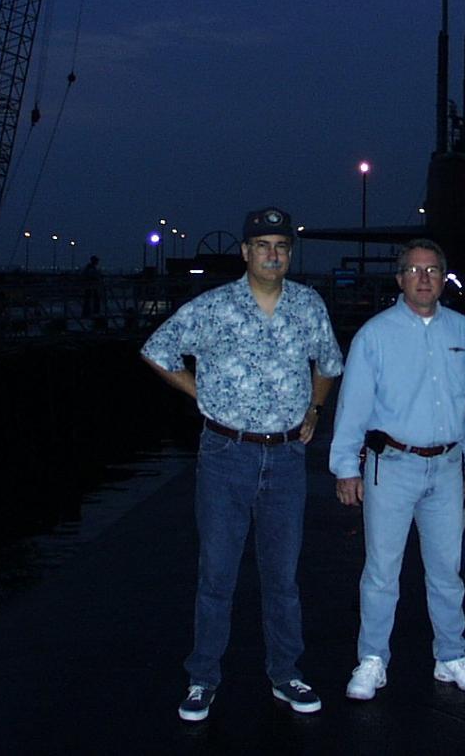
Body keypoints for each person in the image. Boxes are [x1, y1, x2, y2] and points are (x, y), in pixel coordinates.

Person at [141, 207, 343, 722]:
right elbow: (157, 350)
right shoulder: (213, 306)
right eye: (263, 245)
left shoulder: (308, 304)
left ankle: (286, 672)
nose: (273, 254)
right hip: (225, 455)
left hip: (287, 457)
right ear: (245, 252)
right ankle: (203, 677)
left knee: (282, 576)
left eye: (282, 246)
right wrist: (201, 394)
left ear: (289, 253)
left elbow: (328, 363)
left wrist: (315, 409)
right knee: (217, 574)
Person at [330, 238, 465, 700]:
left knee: (446, 569)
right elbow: (353, 405)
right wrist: (346, 467)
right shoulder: (375, 335)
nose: (424, 278)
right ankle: (372, 658)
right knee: (382, 571)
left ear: (444, 279)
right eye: (415, 270)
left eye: (433, 270)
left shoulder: (464, 332)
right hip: (392, 467)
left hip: (446, 469)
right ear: (400, 278)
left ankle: (451, 653)